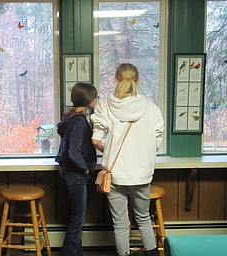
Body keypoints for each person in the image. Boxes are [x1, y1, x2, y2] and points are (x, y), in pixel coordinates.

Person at [91, 63, 164, 256]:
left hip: (115, 176)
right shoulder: (150, 107)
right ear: (137, 82)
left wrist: (113, 150)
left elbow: (95, 140)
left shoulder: (105, 105)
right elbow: (157, 139)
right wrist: (142, 151)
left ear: (116, 80)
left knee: (121, 224)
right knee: (144, 219)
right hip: (141, 174)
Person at [55, 82, 98, 256]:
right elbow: (74, 152)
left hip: (69, 172)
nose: (96, 100)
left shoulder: (70, 117)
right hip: (76, 174)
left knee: (76, 219)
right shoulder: (79, 122)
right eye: (95, 97)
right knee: (77, 221)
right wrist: (85, 169)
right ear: (89, 100)